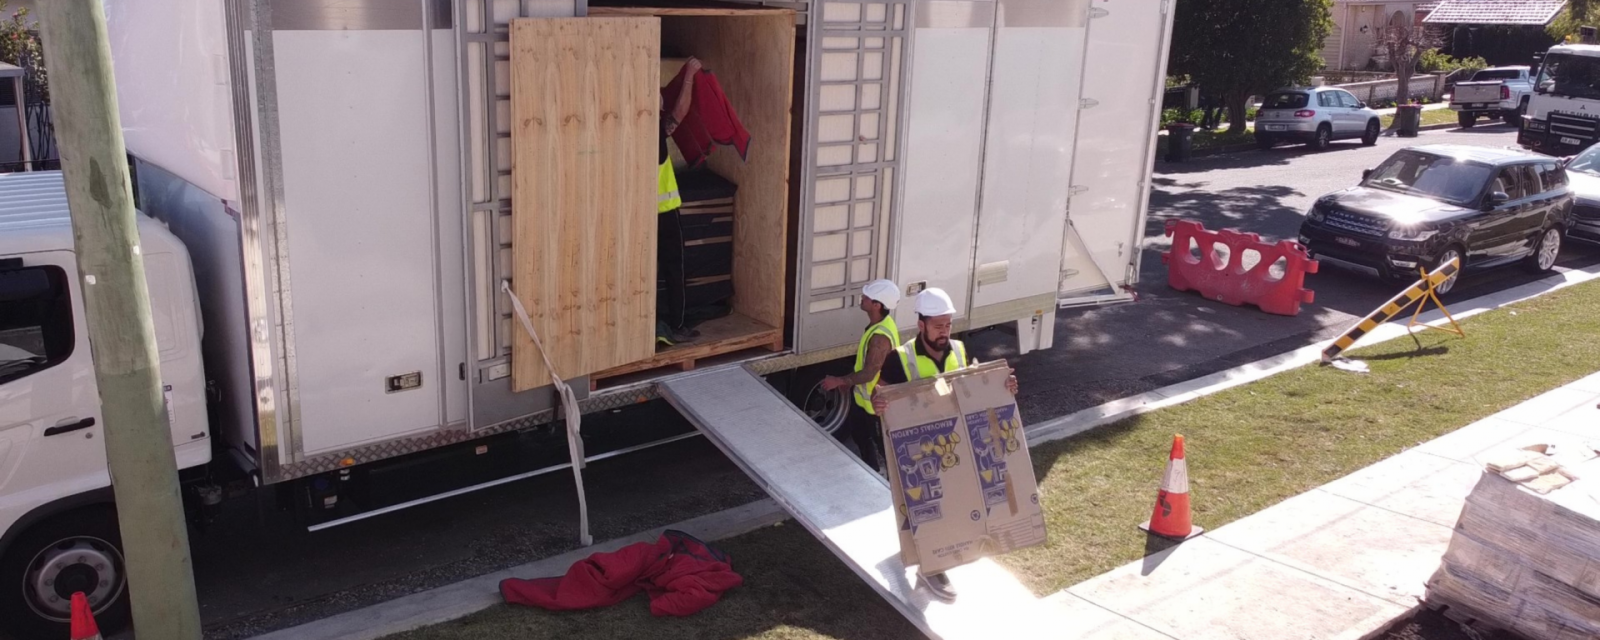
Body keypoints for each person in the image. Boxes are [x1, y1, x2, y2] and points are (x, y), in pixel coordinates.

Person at [871, 287, 1018, 603]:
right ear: (921, 325)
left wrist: (1004, 386)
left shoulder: (960, 350)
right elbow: (878, 397)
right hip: (916, 450)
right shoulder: (900, 359)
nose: (944, 332)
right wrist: (878, 404)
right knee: (926, 508)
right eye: (938, 326)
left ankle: (942, 554)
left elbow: (975, 387)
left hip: (953, 444)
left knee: (952, 502)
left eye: (948, 325)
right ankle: (931, 568)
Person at [818, 279, 901, 472]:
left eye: (866, 297)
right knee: (861, 436)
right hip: (864, 401)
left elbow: (870, 372)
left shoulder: (880, 337)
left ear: (877, 305)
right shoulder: (880, 325)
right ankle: (871, 472)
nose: (862, 298)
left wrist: (839, 381)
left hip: (875, 404)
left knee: (883, 447)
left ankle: (894, 482)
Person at [657, 57, 704, 348]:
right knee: (674, 268)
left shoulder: (628, 132)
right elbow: (681, 111)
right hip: (664, 214)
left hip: (636, 217)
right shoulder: (656, 131)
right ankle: (676, 324)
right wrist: (689, 75)